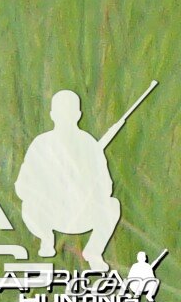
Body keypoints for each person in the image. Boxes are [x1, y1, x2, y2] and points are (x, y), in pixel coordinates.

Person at [18, 91, 123, 268]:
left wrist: (85, 187)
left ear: (78, 115)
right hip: (50, 214)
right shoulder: (41, 144)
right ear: (52, 115)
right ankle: (46, 240)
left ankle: (94, 252)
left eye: (69, 112)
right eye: (62, 113)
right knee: (29, 206)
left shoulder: (89, 145)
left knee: (112, 205)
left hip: (83, 213)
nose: (66, 117)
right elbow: (23, 186)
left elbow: (106, 186)